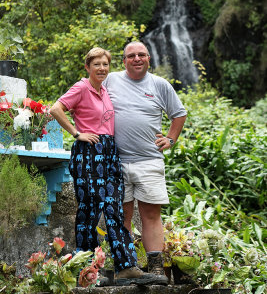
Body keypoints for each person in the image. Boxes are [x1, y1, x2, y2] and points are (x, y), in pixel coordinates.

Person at [50, 47, 163, 286]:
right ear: (87, 67)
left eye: (105, 64)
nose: (102, 68)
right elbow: (55, 109)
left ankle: (126, 267)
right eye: (97, 64)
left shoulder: (105, 90)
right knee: (89, 211)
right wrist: (76, 133)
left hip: (111, 153)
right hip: (89, 152)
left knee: (115, 210)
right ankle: (86, 269)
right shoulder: (82, 87)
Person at [104, 41, 187, 277]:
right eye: (131, 56)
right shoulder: (111, 80)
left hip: (149, 161)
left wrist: (170, 139)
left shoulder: (160, 85)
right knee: (122, 216)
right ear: (124, 61)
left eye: (142, 54)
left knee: (151, 215)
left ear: (149, 58)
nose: (137, 58)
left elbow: (179, 114)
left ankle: (156, 267)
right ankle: (125, 265)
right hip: (115, 162)